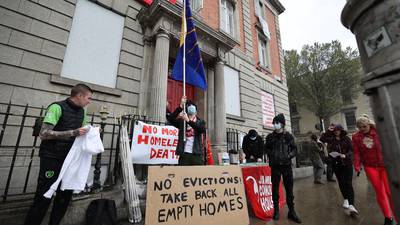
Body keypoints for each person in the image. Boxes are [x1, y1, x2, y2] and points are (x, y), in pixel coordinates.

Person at [24, 83, 93, 225]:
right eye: (88, 98)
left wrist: (92, 134)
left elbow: (81, 132)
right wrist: (72, 133)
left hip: (70, 159)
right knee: (43, 195)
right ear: (79, 96)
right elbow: (44, 133)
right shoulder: (57, 107)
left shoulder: (82, 112)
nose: (89, 101)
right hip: (52, 157)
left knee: (64, 196)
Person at [352, 115, 398, 225]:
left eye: (364, 126)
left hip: (385, 165)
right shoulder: (356, 137)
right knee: (380, 192)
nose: (362, 129)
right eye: (360, 127)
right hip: (370, 166)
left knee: (390, 192)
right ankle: (388, 217)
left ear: (369, 124)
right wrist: (357, 165)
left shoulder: (379, 132)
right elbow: (357, 152)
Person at [265, 113, 302, 223]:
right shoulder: (270, 137)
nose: (275, 125)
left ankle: (291, 211)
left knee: (289, 190)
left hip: (286, 166)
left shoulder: (288, 136)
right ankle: (276, 210)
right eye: (274, 123)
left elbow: (295, 149)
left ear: (282, 124)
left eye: (277, 123)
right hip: (275, 167)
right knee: (275, 189)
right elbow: (266, 148)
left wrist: (289, 156)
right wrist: (272, 155)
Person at [320, 124, 358, 216]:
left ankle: (352, 205)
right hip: (336, 164)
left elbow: (352, 150)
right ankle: (345, 199)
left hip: (347, 164)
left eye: (338, 130)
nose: (336, 131)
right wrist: (328, 130)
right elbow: (322, 139)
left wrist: (346, 155)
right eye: (335, 130)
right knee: (341, 182)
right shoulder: (331, 139)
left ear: (341, 130)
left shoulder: (346, 139)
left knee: (348, 183)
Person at [169, 96, 206, 166]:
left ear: (196, 111)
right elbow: (171, 119)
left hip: (197, 154)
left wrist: (188, 121)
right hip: (184, 154)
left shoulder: (200, 122)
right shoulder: (182, 122)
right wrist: (180, 106)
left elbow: (201, 129)